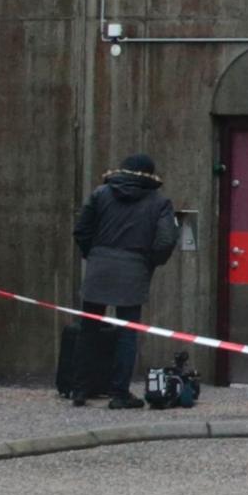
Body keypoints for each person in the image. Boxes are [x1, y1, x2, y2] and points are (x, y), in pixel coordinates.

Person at [58, 154, 182, 406]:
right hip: (134, 268)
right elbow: (167, 239)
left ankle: (80, 390)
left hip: (99, 267)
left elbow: (82, 229)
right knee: (127, 333)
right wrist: (150, 261)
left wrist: (93, 255)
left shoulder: (100, 194)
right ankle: (118, 393)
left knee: (88, 329)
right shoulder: (159, 202)